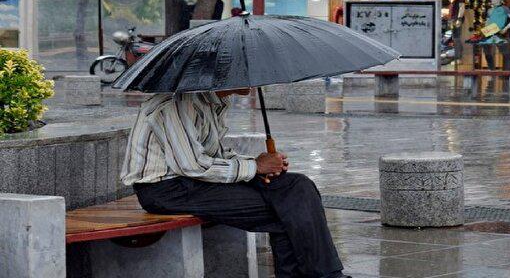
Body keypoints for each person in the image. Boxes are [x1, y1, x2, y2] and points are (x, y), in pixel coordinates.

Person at [121, 89, 348, 278]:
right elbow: (192, 165)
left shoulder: (213, 101)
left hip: (196, 181)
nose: (250, 78)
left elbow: (215, 155)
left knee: (297, 186)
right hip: (166, 189)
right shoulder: (174, 104)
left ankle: (326, 274)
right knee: (285, 211)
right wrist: (254, 168)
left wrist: (258, 165)